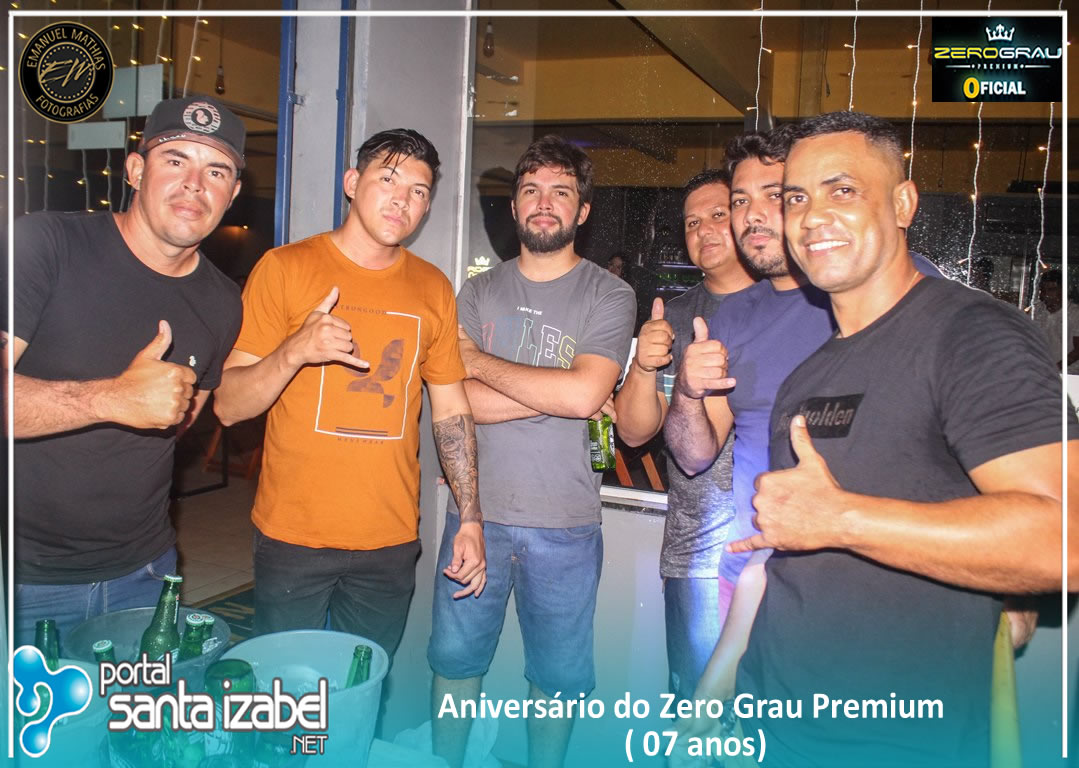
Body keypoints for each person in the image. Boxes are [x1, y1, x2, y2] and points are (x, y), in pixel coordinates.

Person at [738, 112, 1071, 765]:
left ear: (901, 204)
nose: (811, 216)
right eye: (795, 199)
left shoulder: (971, 334)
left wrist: (842, 518)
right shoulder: (808, 374)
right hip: (774, 721)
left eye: (841, 190)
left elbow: (1065, 538)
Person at [666, 129, 942, 742]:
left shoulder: (887, 293)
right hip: (748, 575)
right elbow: (694, 456)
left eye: (777, 194)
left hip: (866, 589)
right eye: (740, 200)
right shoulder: (734, 315)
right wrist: (687, 390)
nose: (753, 215)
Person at [213, 129, 485, 656]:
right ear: (352, 183)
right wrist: (294, 351)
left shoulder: (433, 287)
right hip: (294, 535)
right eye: (389, 180)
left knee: (365, 687)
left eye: (419, 191)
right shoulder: (285, 268)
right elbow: (227, 405)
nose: (403, 199)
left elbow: (451, 409)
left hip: (389, 538)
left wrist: (470, 516)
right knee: (286, 689)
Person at [427, 135, 636, 768]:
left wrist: (484, 366)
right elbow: (455, 403)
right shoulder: (475, 294)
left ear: (583, 210)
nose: (544, 203)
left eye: (560, 192)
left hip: (566, 523)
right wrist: (566, 393)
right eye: (531, 190)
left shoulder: (609, 294)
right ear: (516, 205)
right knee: (454, 663)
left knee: (558, 679)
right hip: (474, 515)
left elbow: (585, 393)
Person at [10, 96, 246, 647]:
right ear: (136, 170)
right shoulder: (45, 244)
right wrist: (110, 399)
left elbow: (182, 420)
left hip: (145, 571)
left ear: (232, 194)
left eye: (216, 171)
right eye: (175, 160)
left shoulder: (222, 301)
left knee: (136, 707)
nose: (194, 184)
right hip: (21, 577)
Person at [612, 168, 755, 702]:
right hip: (696, 553)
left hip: (780, 554)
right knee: (697, 714)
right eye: (692, 222)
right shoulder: (673, 315)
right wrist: (644, 365)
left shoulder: (791, 307)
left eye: (718, 214)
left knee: (778, 720)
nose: (705, 230)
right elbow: (633, 433)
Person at [1031, 269, 1079, 373]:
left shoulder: (1075, 313)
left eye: (1051, 290)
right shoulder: (1036, 311)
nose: (1046, 294)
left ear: (1063, 291)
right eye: (1043, 290)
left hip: (1069, 374)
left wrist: (1055, 368)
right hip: (1040, 371)